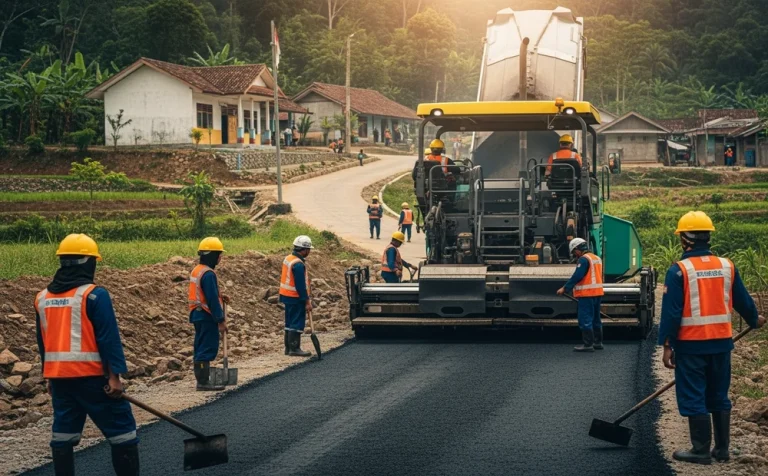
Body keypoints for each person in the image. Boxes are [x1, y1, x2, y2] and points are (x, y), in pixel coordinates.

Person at [659, 211, 765, 465]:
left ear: (685, 239)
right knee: (718, 394)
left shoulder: (679, 271)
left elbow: (672, 313)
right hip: (721, 345)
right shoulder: (727, 265)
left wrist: (667, 344)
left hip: (692, 347)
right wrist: (754, 320)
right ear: (708, 237)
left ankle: (700, 450)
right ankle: (723, 450)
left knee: (694, 394)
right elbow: (742, 300)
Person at [35, 234, 140, 476]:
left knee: (63, 434)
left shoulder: (42, 298)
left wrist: (49, 376)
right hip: (93, 380)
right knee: (123, 431)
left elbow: (44, 342)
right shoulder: (93, 295)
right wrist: (114, 376)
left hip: (61, 381)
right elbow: (108, 338)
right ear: (89, 262)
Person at [189, 237, 230, 391]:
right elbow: (211, 299)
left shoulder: (198, 270)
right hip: (207, 316)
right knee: (206, 348)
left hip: (197, 314)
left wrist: (221, 296)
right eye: (219, 254)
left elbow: (207, 293)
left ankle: (202, 379)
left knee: (200, 347)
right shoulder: (208, 274)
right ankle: (203, 382)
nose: (220, 257)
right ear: (212, 255)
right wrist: (220, 320)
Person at [557, 237, 604, 352]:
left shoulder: (583, 259)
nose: (575, 254)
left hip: (586, 294)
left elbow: (577, 276)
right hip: (597, 293)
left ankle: (588, 345)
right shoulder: (596, 258)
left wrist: (565, 288)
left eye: (574, 252)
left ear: (578, 249)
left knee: (585, 319)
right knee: (596, 319)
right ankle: (598, 342)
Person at [279, 235, 315, 357]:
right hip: (295, 297)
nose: (309, 252)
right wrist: (306, 301)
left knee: (289, 321)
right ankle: (294, 348)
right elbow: (300, 285)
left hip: (286, 296)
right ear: (304, 250)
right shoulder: (298, 264)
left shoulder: (289, 258)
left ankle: (288, 348)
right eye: (309, 249)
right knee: (296, 322)